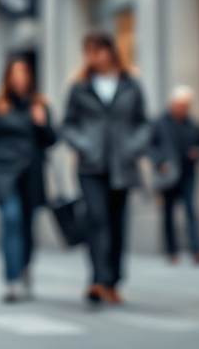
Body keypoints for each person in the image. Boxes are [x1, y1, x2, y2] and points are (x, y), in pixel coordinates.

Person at [62, 30, 150, 305]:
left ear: (110, 51)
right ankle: (98, 280)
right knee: (96, 219)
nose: (92, 57)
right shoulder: (80, 88)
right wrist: (84, 144)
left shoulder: (130, 85)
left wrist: (132, 147)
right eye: (88, 51)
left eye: (96, 51)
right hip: (91, 166)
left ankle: (113, 281)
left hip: (121, 165)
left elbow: (144, 123)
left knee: (117, 223)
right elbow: (67, 125)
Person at [0, 57, 56, 302]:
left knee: (27, 226)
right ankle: (12, 281)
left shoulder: (39, 104)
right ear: (8, 78)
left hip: (31, 173)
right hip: (2, 173)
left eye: (23, 73)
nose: (19, 78)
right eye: (15, 73)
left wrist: (42, 122)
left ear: (29, 77)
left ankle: (24, 268)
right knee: (12, 219)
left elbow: (52, 140)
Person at [150, 85, 199, 265]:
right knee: (168, 213)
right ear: (173, 104)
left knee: (190, 209)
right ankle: (171, 250)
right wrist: (160, 162)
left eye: (187, 106)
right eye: (181, 105)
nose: (184, 109)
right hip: (168, 175)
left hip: (188, 173)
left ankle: (196, 249)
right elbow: (151, 146)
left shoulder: (194, 125)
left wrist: (198, 153)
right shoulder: (160, 123)